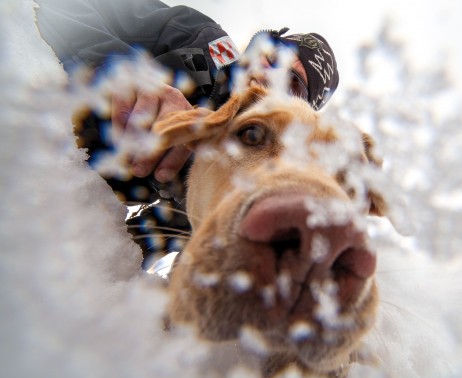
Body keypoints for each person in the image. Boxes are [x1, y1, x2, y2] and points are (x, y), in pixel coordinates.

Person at [35, 0, 340, 268]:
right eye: (275, 56)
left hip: (44, 209)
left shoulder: (248, 181)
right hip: (29, 115)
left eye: (292, 83)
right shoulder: (196, 35)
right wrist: (117, 70)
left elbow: (129, 254)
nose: (269, 73)